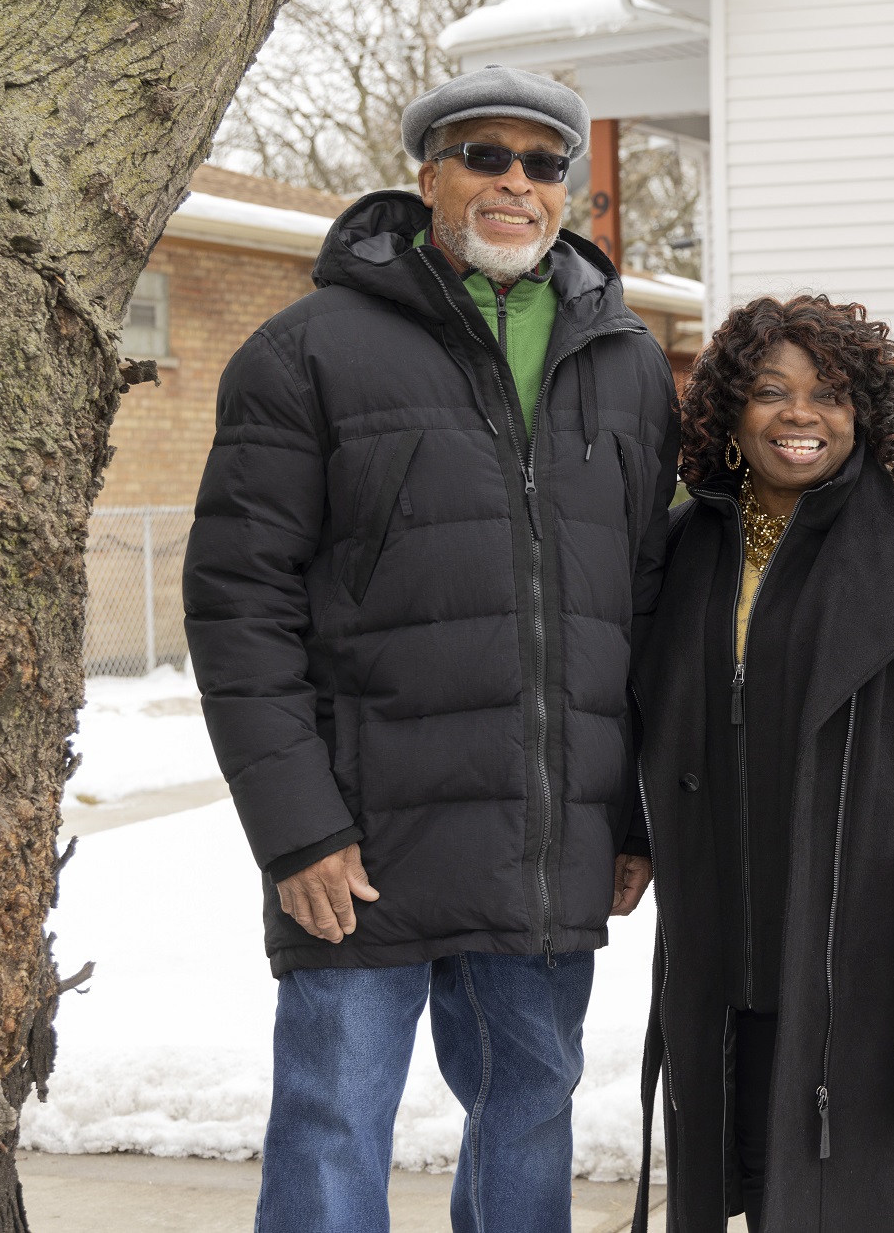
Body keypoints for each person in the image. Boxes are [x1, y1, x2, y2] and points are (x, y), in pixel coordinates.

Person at [183, 64, 678, 1233]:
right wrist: (297, 827)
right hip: (361, 840)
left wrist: (635, 816)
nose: (515, 182)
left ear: (568, 193)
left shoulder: (627, 361)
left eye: (543, 163)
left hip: (548, 835)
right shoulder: (304, 352)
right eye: (484, 156)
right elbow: (237, 602)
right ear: (428, 177)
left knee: (528, 1111)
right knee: (335, 1121)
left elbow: (651, 605)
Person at [628, 296, 894, 1232]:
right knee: (748, 1191)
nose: (800, 415)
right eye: (770, 391)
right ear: (731, 414)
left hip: (884, 969)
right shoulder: (680, 549)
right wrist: (630, 835)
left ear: (864, 413)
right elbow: (646, 721)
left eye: (828, 394)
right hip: (727, 961)